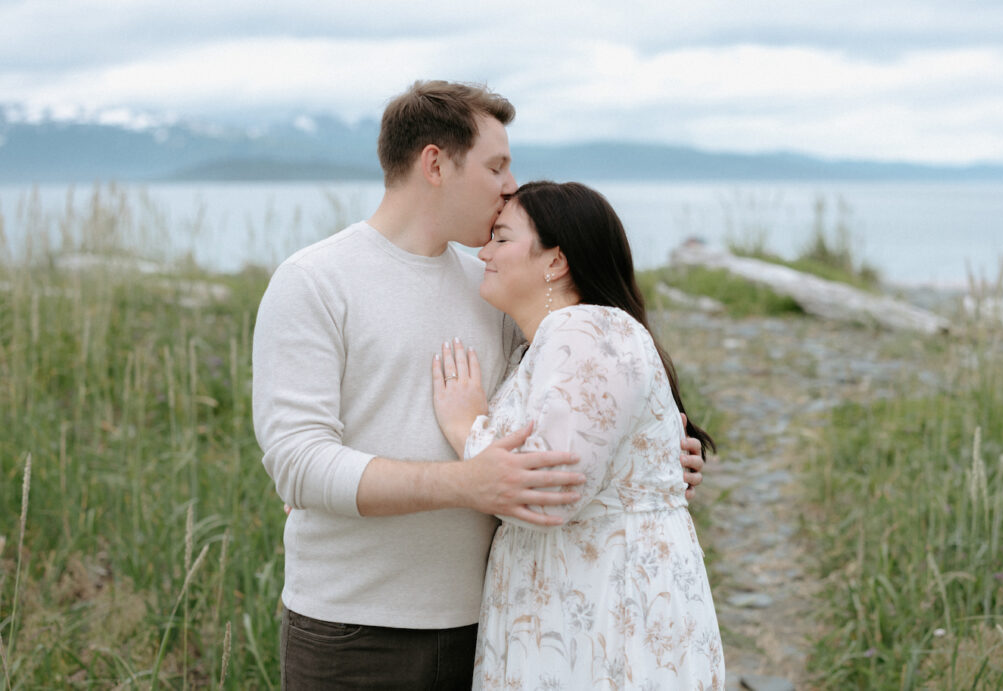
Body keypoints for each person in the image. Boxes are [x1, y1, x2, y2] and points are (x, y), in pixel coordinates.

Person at [253, 80, 707, 689]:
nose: (509, 187)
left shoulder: (493, 284)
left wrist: (655, 453)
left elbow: (569, 413)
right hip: (354, 628)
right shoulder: (314, 281)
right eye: (496, 166)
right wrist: (465, 482)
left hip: (493, 623)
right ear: (436, 164)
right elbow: (299, 464)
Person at [432, 181, 725, 689]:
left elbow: (551, 493)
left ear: (556, 261)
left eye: (501, 239)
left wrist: (465, 426)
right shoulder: (554, 342)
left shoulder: (585, 331)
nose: (483, 252)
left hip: (603, 608)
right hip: (571, 602)